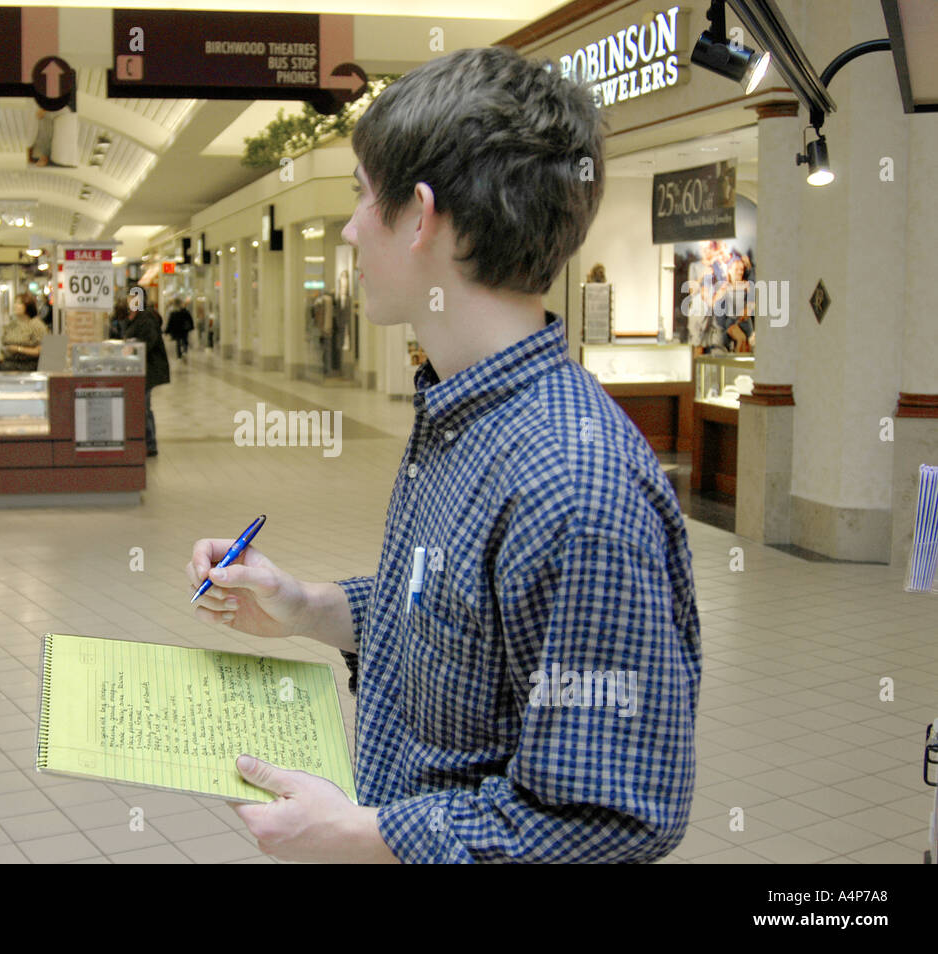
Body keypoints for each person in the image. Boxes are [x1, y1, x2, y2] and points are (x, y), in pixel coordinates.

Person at [185, 46, 700, 864]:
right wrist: (307, 605)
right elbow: (453, 639)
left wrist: (364, 833)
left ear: (420, 215)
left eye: (361, 196)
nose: (352, 227)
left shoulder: (573, 486)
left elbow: (607, 820)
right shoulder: (460, 420)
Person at [122, 286, 169, 456]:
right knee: (143, 405)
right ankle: (147, 442)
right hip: (142, 367)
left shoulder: (146, 317)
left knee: (144, 406)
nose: (130, 301)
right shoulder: (136, 317)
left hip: (149, 368)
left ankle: (150, 444)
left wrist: (132, 348)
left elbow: (149, 341)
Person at [2, 300, 46, 371]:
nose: (15, 305)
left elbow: (41, 350)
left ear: (28, 306)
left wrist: (18, 349)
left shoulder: (36, 325)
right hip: (8, 364)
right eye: (15, 302)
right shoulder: (12, 325)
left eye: (19, 303)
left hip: (27, 365)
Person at [164, 297, 194, 361]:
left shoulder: (174, 312)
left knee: (178, 342)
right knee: (184, 340)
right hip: (183, 329)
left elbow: (170, 322)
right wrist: (191, 327)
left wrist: (167, 331)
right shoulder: (184, 311)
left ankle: (179, 355)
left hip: (177, 330)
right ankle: (184, 351)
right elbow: (190, 319)